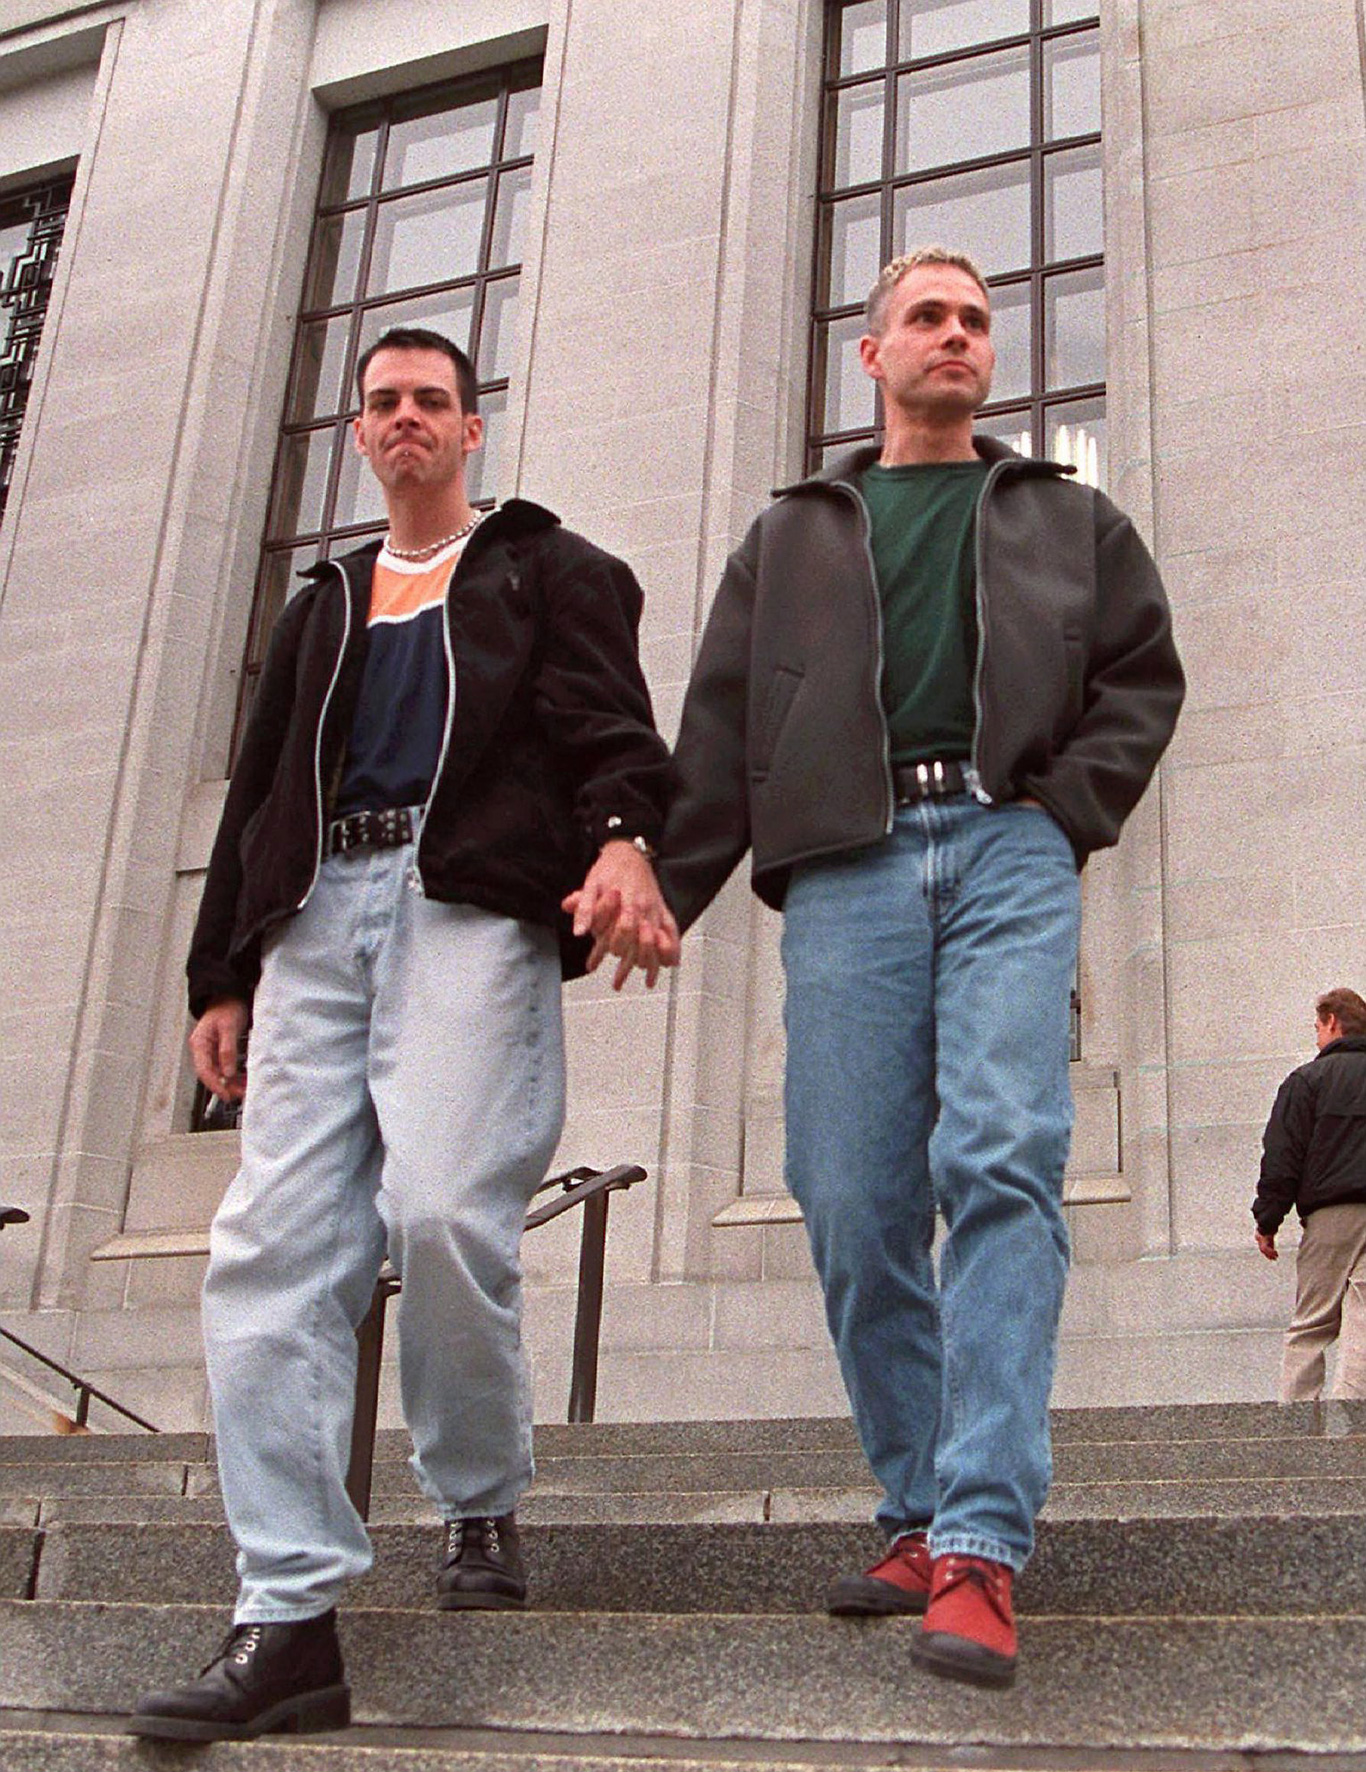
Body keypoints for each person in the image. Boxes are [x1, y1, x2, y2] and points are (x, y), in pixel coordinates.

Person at [575, 247, 1183, 1688]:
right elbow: (721, 727)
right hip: (844, 866)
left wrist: (1061, 808)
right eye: (928, 316)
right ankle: (915, 1498)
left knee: (1002, 1157)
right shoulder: (791, 533)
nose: (957, 337)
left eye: (976, 320)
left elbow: (1141, 678)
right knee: (849, 1197)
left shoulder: (1065, 517)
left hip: (1002, 853)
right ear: (873, 354)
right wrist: (658, 868)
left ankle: (976, 1542)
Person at [131, 327, 678, 1741]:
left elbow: (610, 727)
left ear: (469, 429)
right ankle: (287, 1612)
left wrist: (624, 842)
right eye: (383, 404)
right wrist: (220, 975)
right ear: (360, 436)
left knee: (443, 1213)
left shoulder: (546, 569)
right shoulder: (320, 605)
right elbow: (258, 793)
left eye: (431, 400)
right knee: (266, 1251)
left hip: (464, 914)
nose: (407, 420)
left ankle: (478, 1499)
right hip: (314, 930)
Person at [1253, 987, 1366, 1401]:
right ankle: (1352, 1417)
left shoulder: (1307, 1081)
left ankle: (1298, 1424)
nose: (1316, 1035)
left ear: (1333, 1022)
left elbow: (1283, 1157)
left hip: (1332, 1213)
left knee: (1312, 1323)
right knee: (1364, 1317)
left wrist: (1268, 1220)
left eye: (1317, 1026)